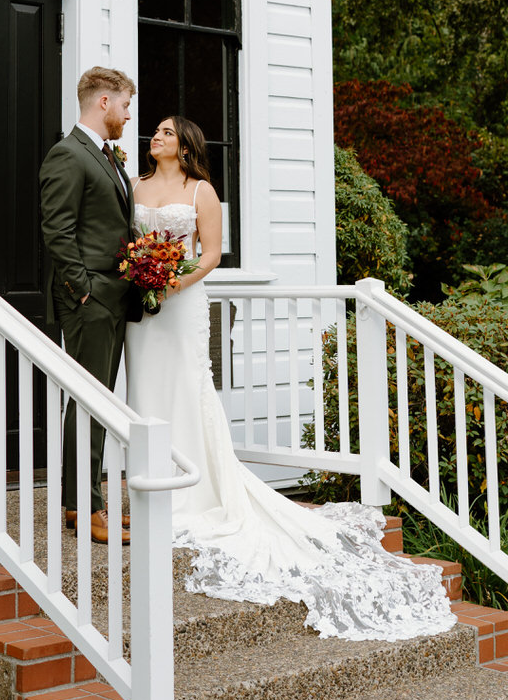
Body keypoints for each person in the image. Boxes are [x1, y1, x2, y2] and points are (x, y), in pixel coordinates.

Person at [125, 115, 455, 642]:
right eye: (156, 131)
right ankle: (152, 477)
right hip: (144, 311)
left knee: (188, 388)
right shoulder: (136, 186)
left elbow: (210, 254)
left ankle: (193, 489)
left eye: (166, 131)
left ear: (185, 145)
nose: (156, 137)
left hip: (182, 303)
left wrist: (174, 282)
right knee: (146, 389)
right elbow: (130, 243)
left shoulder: (200, 191)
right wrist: (141, 275)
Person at [39, 66, 136, 545]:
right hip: (90, 300)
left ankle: (87, 503)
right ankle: (81, 504)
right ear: (102, 102)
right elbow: (57, 230)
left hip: (113, 297)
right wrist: (84, 291)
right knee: (87, 402)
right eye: (124, 105)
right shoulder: (67, 154)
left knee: (98, 403)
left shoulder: (107, 157)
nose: (127, 115)